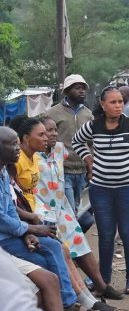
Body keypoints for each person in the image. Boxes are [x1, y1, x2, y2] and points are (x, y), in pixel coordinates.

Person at [72, 86, 129, 295]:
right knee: (105, 235)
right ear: (103, 105)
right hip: (100, 190)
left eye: (120, 101)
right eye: (113, 102)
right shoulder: (93, 126)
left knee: (128, 233)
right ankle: (103, 279)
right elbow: (77, 141)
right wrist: (88, 160)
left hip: (128, 190)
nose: (118, 105)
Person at [36, 117, 124, 301]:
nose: (52, 134)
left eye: (54, 130)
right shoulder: (31, 157)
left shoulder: (59, 149)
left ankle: (101, 285)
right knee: (63, 252)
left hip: (62, 207)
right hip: (42, 210)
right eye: (46, 131)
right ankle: (79, 295)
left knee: (80, 243)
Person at [0, 127, 79, 310]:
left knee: (53, 247)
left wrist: (25, 233)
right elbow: (2, 219)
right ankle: (68, 302)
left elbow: (10, 208)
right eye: (13, 144)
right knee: (48, 258)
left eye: (18, 143)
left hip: (12, 235)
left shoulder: (3, 172)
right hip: (3, 240)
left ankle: (71, 300)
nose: (18, 147)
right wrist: (31, 229)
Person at [47, 74, 93, 214]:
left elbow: (91, 143)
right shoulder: (52, 113)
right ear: (67, 91)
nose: (82, 91)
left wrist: (91, 165)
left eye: (83, 88)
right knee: (70, 211)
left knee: (76, 209)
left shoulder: (88, 114)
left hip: (82, 170)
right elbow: (45, 141)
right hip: (62, 170)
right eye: (77, 88)